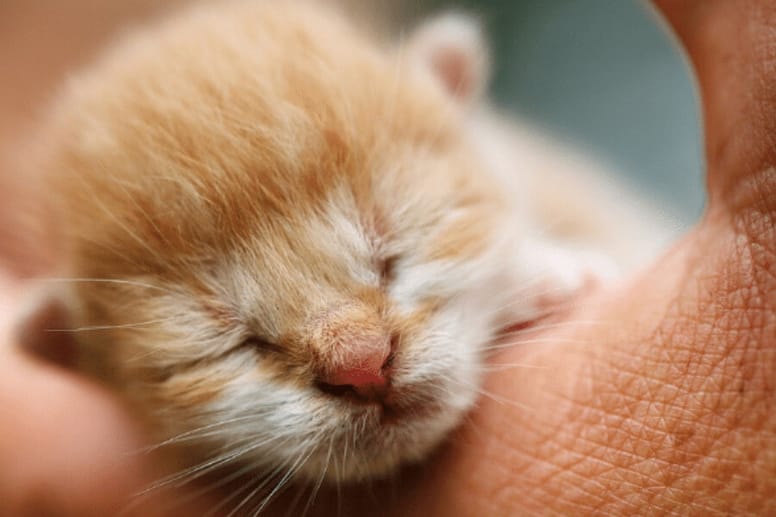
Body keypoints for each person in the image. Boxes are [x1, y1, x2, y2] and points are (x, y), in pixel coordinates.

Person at [0, 0, 774, 514]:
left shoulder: (520, 171)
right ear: (76, 352)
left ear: (451, 91)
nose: (359, 360)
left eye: (389, 254)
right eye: (224, 338)